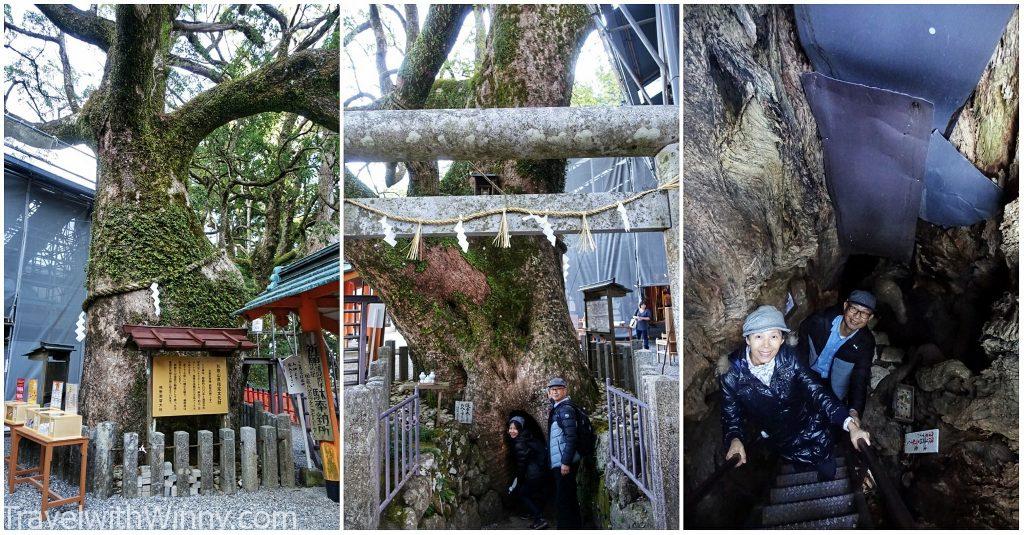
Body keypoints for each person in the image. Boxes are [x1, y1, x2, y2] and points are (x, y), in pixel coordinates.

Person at [720, 305, 871, 480]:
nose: (766, 346)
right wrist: (735, 439)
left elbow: (817, 391)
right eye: (758, 336)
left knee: (828, 471)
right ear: (747, 339)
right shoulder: (731, 374)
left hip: (813, 428)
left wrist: (851, 425)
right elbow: (731, 415)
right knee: (799, 466)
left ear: (782, 339)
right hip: (782, 439)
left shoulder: (790, 357)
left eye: (774, 337)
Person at [796, 290, 876, 423]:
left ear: (870, 318)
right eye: (854, 309)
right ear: (845, 306)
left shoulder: (866, 343)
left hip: (832, 387)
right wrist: (800, 372)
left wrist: (854, 411)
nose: (857, 317)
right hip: (808, 373)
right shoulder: (820, 321)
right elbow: (802, 346)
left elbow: (860, 378)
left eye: (864, 313)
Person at [546, 377, 582, 529]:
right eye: (552, 389)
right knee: (568, 496)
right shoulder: (557, 408)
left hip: (564, 463)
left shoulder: (565, 409)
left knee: (563, 499)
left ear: (565, 390)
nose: (555, 391)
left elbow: (571, 437)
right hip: (561, 461)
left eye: (558, 388)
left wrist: (565, 462)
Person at [507, 416, 549, 529]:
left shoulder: (519, 443)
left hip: (533, 474)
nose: (512, 431)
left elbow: (522, 465)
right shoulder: (528, 437)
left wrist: (518, 480)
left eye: (515, 428)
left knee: (522, 493)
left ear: (520, 429)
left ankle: (539, 518)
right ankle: (534, 514)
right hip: (540, 472)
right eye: (510, 428)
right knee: (532, 493)